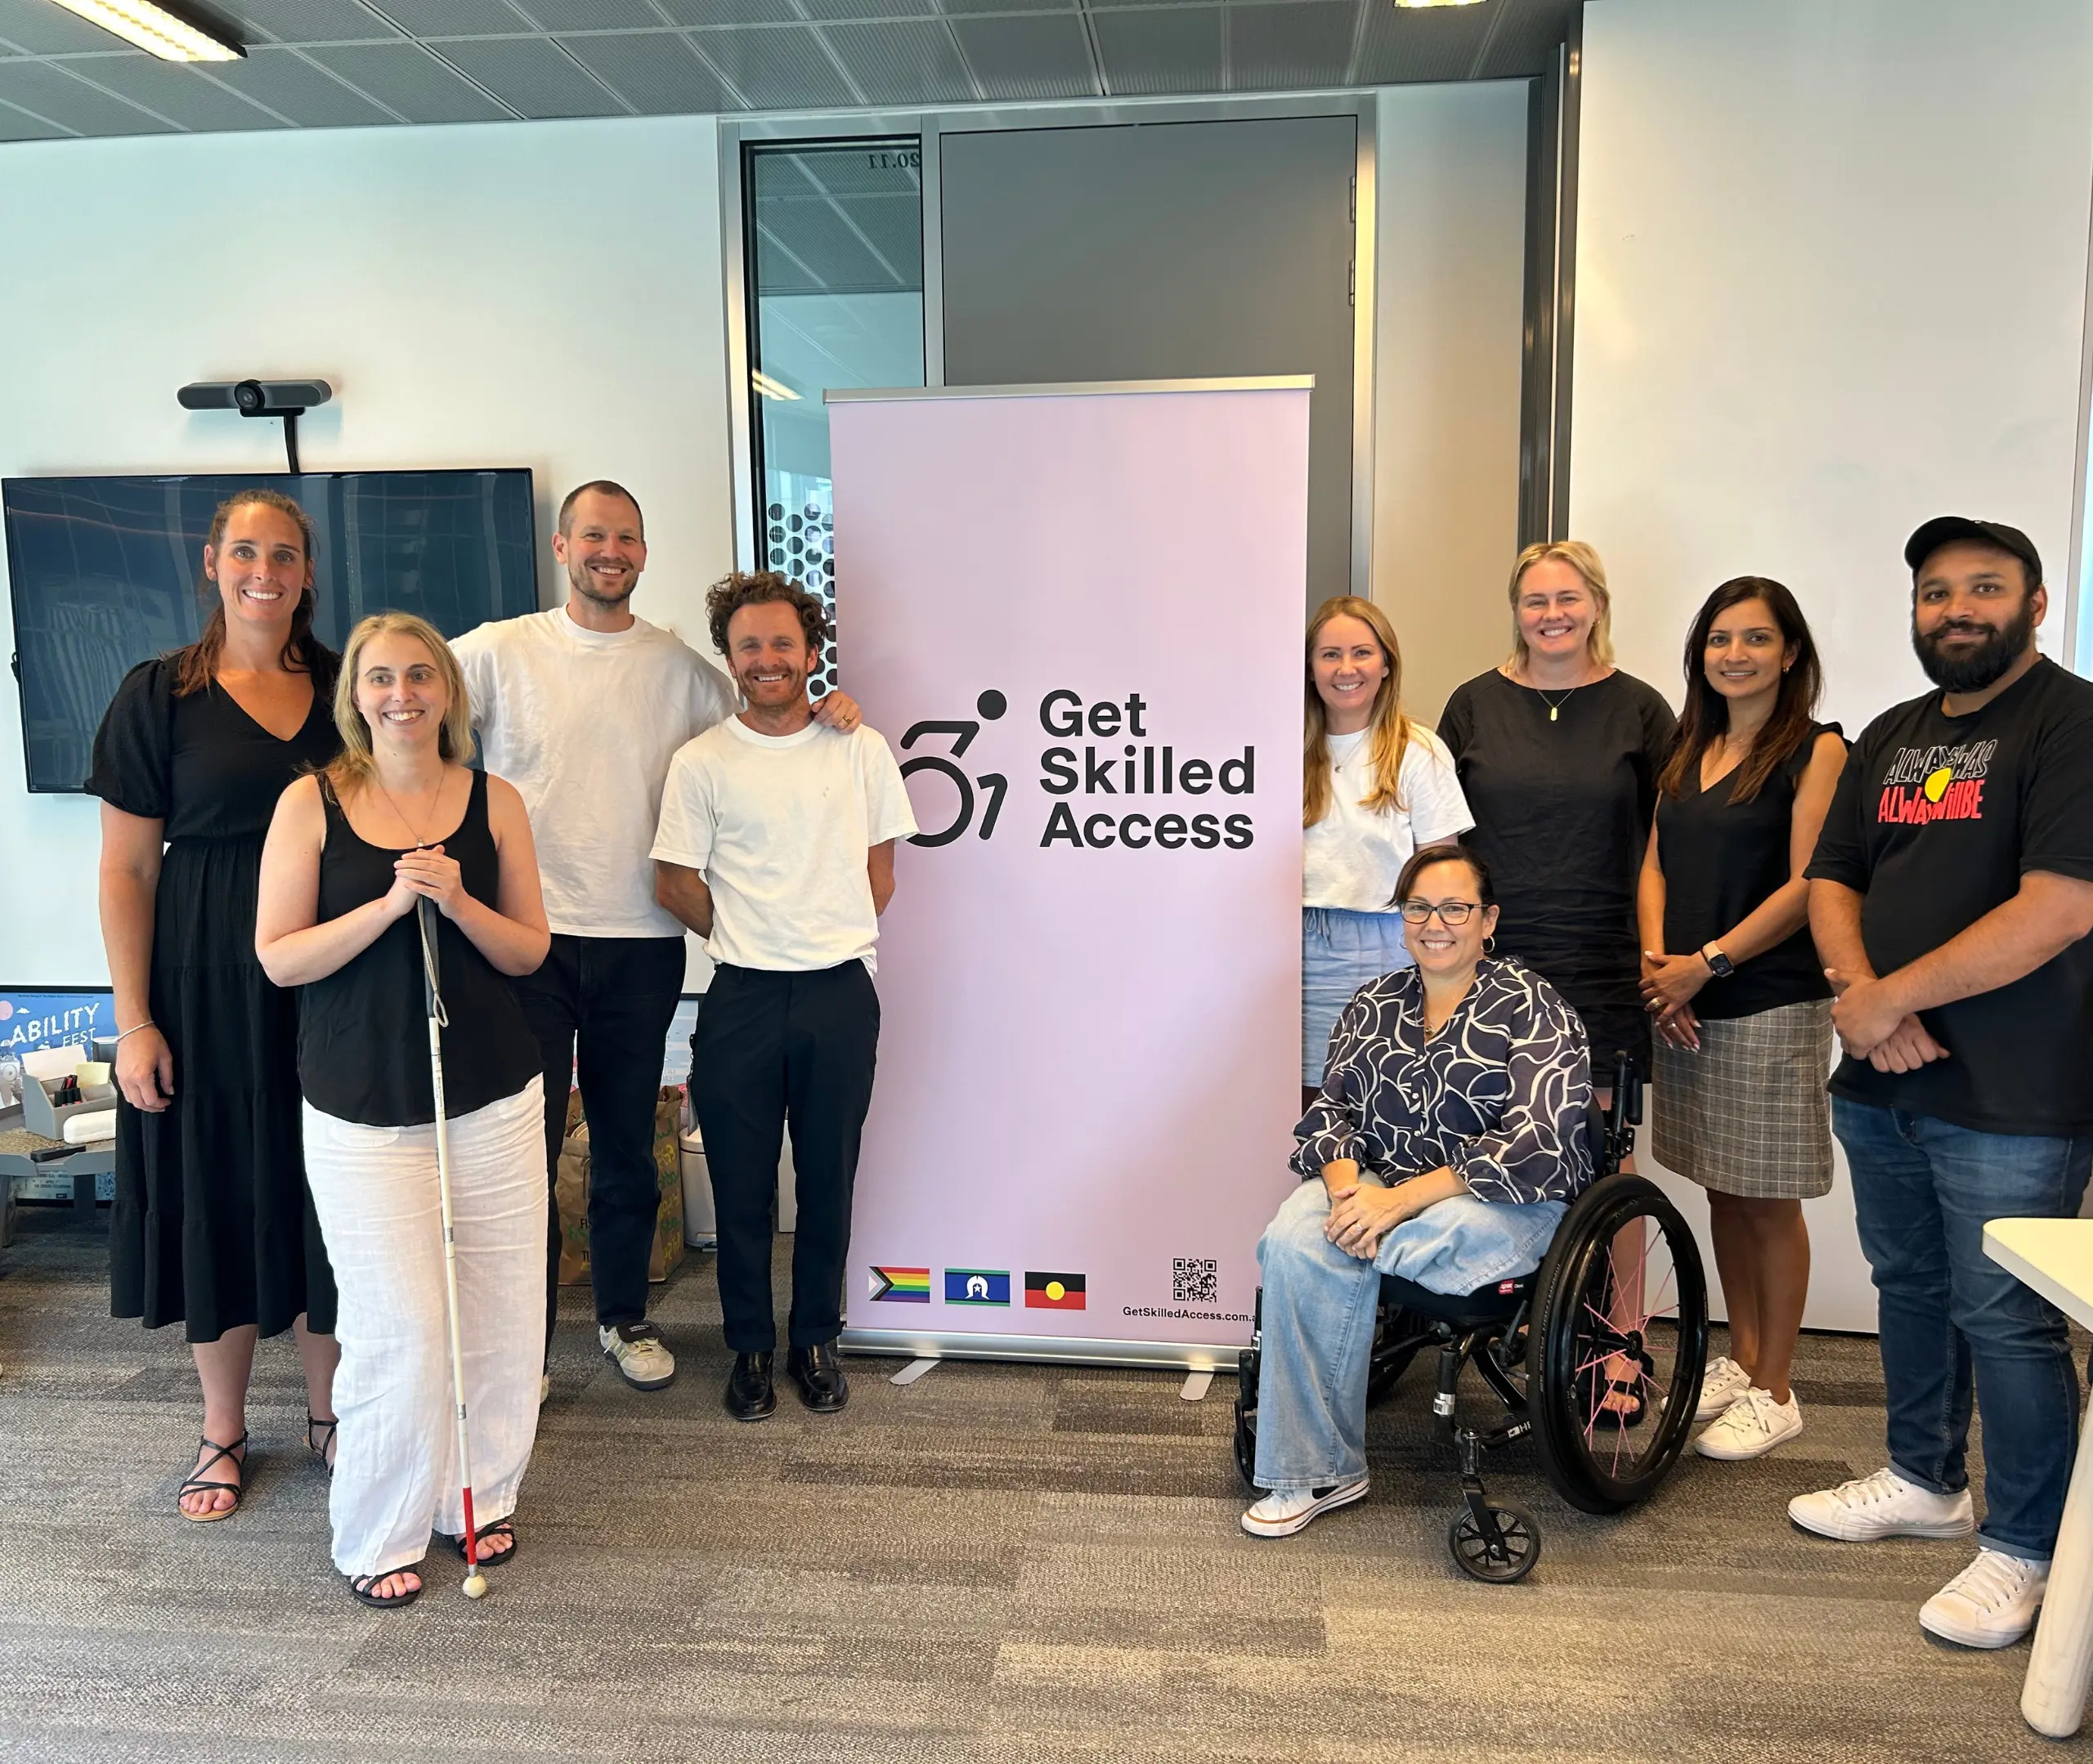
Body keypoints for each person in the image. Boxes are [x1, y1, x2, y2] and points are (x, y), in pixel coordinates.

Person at [451, 481, 859, 1395]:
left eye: (627, 536)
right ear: (561, 546)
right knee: (522, 1142)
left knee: (629, 1142)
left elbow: (769, 723)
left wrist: (835, 710)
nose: (611, 549)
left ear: (643, 551)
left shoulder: (681, 670)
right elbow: (390, 711)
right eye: (593, 534)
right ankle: (520, 1346)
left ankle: (622, 1314)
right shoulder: (496, 651)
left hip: (640, 940)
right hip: (525, 940)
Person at [1790, 517, 2093, 1650]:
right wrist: (1866, 998)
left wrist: (1888, 999)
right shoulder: (1894, 733)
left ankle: (2028, 1547)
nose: (1956, 608)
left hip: (2014, 1090)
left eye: (1983, 588)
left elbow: (2061, 906)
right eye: (1935, 592)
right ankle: (1925, 1478)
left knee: (2008, 1321)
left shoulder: (2074, 723)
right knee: (1910, 1285)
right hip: (1884, 1078)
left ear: (2037, 602)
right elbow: (1833, 878)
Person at [255, 613, 550, 1610]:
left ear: (447, 692)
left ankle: (475, 1492)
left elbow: (528, 951)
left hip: (494, 1092)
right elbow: (279, 955)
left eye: (421, 674)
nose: (402, 693)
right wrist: (386, 907)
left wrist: (460, 900)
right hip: (359, 1103)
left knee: (503, 1310)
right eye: (381, 677)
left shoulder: (493, 798)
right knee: (401, 1325)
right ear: (357, 697)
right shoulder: (311, 803)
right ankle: (378, 1526)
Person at [87, 487, 342, 1522]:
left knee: (332, 1194)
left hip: (330, 981)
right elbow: (126, 872)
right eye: (246, 552)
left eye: (284, 555)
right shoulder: (158, 695)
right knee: (217, 1191)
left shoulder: (350, 684)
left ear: (308, 572)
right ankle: (223, 1429)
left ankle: (331, 1414)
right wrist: (133, 1018)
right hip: (201, 982)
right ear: (211, 561)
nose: (264, 572)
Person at [1242, 844, 1595, 1538]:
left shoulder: (1534, 1007)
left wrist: (1395, 1205)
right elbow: (1330, 1116)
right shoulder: (1374, 1003)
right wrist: (1351, 1199)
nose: (1437, 922)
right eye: (1419, 907)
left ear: (1487, 919)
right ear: (1402, 919)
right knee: (1292, 1236)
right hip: (1376, 1189)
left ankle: (1356, 1256)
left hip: (1501, 1199)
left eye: (1455, 907)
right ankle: (1318, 1470)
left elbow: (1536, 1139)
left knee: (1413, 1237)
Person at [652, 571, 917, 1421]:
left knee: (828, 1177)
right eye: (749, 645)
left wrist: (816, 929)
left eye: (781, 643)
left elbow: (881, 878)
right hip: (741, 998)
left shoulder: (859, 748)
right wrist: (747, 931)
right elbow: (673, 881)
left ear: (810, 651)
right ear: (730, 657)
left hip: (840, 990)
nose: (767, 659)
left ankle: (815, 1340)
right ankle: (750, 1350)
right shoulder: (702, 762)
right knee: (741, 1184)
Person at [1438, 540, 1677, 1421]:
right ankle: (1520, 1325)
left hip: (1603, 960)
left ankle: (1618, 1342)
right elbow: (1443, 841)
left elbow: (1668, 844)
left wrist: (1668, 953)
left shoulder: (1641, 710)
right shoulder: (1471, 705)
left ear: (1596, 603)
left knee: (1605, 1159)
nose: (1550, 614)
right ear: (1515, 608)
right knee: (1496, 1144)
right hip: (1492, 965)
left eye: (1567, 597)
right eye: (1534, 599)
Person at [1637, 578, 1846, 1459]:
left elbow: (1809, 886)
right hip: (1684, 999)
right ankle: (1743, 1353)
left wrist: (1707, 964)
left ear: (1789, 652)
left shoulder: (1819, 748)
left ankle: (1778, 1386)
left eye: (1755, 639)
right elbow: (1652, 862)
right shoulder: (1690, 745)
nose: (1734, 655)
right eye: (1719, 639)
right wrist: (1659, 971)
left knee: (1769, 1197)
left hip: (1767, 998)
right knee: (1724, 1184)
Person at [1301, 596, 1472, 1108]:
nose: (1346, 669)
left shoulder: (1417, 750)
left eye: (1362, 653)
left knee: (1383, 1100)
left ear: (1386, 663)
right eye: (1330, 655)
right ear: (1310, 668)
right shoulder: (1281, 747)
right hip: (1291, 945)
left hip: (1387, 945)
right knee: (1304, 1104)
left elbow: (1443, 876)